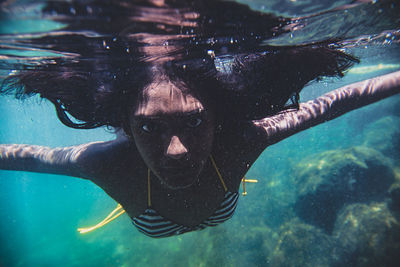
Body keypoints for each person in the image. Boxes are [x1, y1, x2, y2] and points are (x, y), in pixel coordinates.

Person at [0, 0, 399, 238]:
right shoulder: (105, 163)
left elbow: (335, 102)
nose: (176, 152)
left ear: (218, 118)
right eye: (148, 127)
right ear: (124, 126)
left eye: (193, 122)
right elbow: (25, 155)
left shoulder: (243, 139)